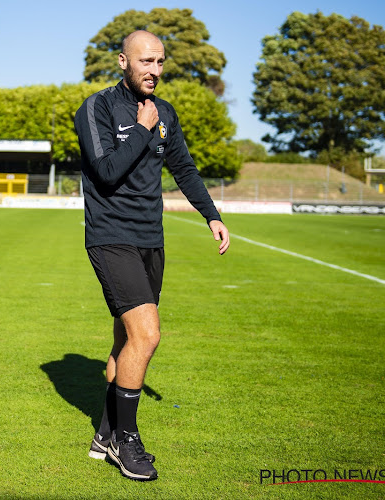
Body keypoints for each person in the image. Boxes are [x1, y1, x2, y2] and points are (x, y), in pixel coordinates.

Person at [74, 30, 230, 481]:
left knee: (126, 341)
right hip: (110, 236)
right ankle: (127, 442)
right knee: (147, 334)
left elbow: (182, 167)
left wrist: (211, 214)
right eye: (146, 61)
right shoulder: (97, 108)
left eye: (160, 62)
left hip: (151, 240)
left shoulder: (167, 113)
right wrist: (141, 130)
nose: (154, 71)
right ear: (123, 61)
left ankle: (105, 433)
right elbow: (105, 172)